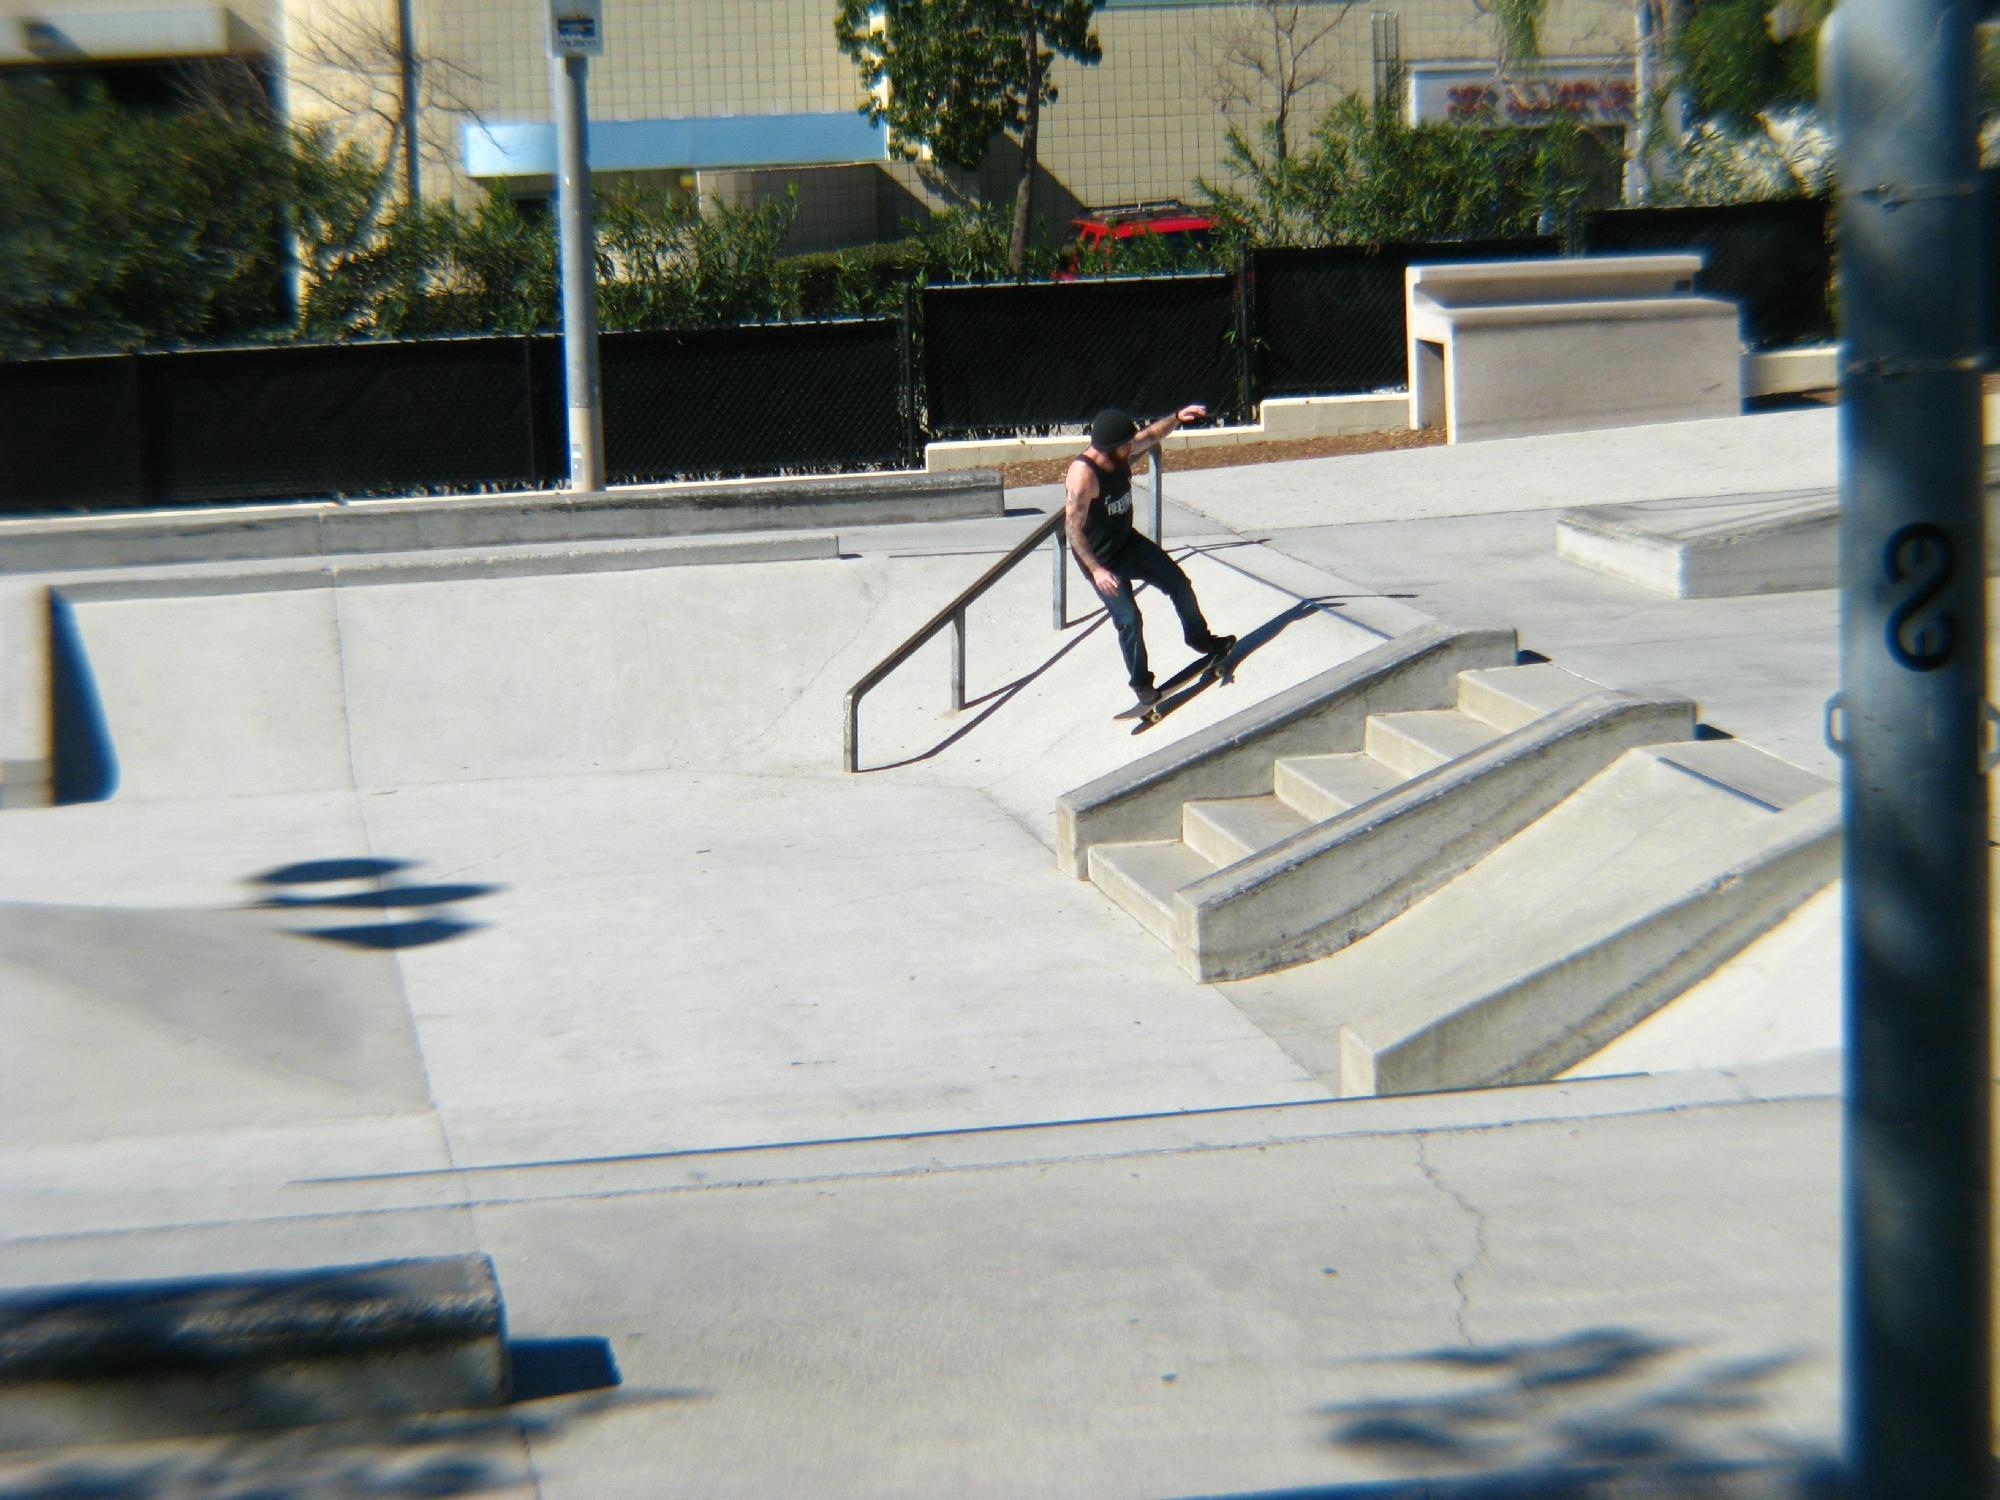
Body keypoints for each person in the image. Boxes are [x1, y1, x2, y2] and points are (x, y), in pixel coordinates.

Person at [1065, 405, 1235, 711]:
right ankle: (1141, 683)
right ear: (1111, 448)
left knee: (1178, 582)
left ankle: (1200, 639)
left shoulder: (1120, 450)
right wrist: (1096, 570)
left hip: (1127, 543)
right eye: (1127, 446)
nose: (1134, 449)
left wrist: (1176, 418)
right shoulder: (1084, 476)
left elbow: (1152, 434)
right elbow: (1073, 529)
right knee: (1129, 619)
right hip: (1100, 561)